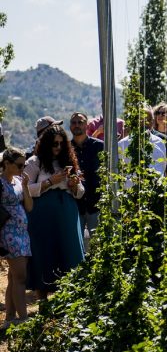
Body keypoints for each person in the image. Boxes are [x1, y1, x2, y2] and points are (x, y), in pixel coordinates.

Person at [24, 125, 85, 299]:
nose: (58, 147)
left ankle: (69, 300)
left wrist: (74, 185)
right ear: (46, 144)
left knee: (69, 251)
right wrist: (50, 182)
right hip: (42, 213)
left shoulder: (68, 161)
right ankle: (42, 300)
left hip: (67, 212)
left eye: (61, 143)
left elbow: (81, 192)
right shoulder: (35, 162)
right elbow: (25, 189)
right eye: (54, 144)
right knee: (44, 251)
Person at [0, 147, 33, 324]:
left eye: (24, 165)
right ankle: (23, 318)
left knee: (13, 278)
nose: (22, 168)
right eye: (19, 165)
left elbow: (29, 207)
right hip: (8, 233)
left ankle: (10, 317)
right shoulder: (0, 183)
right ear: (7, 164)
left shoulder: (19, 181)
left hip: (21, 233)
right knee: (20, 277)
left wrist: (26, 186)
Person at [70, 112, 104, 246]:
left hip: (96, 204)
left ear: (87, 125)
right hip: (74, 206)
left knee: (99, 246)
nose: (77, 125)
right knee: (75, 245)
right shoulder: (66, 149)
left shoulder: (99, 146)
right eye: (73, 122)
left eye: (80, 122)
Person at [117, 106, 167, 180]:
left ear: (153, 121)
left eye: (149, 120)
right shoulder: (122, 144)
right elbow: (118, 170)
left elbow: (163, 166)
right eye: (141, 120)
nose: (146, 123)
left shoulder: (160, 142)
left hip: (156, 186)